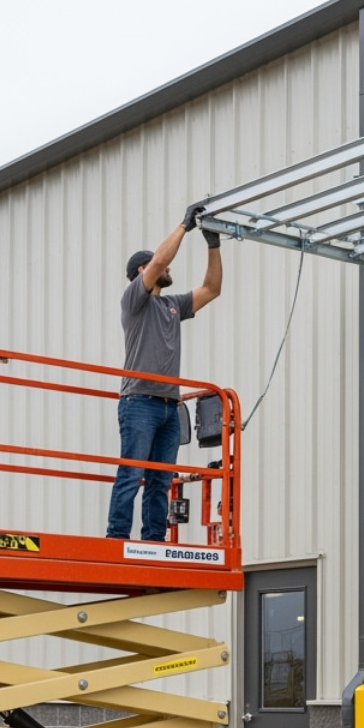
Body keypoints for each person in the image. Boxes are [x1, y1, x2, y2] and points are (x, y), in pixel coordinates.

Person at [104, 203, 222, 541]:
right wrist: (185, 226)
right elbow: (158, 261)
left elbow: (211, 289)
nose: (169, 267)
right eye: (161, 265)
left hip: (170, 406)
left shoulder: (173, 305)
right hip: (139, 401)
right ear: (144, 270)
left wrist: (212, 245)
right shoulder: (134, 301)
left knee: (160, 480)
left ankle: (153, 541)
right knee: (132, 472)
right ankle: (117, 539)